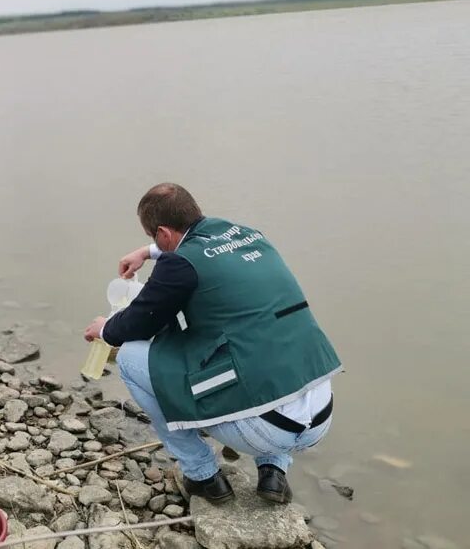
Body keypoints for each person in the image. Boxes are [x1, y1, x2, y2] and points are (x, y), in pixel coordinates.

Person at [84, 183, 342, 505]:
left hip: (266, 429)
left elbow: (140, 321)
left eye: (154, 238)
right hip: (320, 414)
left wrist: (106, 329)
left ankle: (203, 474)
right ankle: (274, 472)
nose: (155, 244)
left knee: (131, 360)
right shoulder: (248, 236)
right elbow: (201, 246)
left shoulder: (178, 266)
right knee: (265, 342)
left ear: (163, 232)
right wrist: (147, 252)